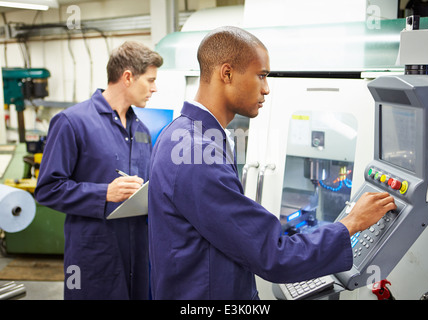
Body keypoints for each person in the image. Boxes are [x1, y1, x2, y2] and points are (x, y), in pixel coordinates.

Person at [147, 26, 396, 300]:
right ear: (226, 73)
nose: (266, 89)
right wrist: (351, 223)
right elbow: (274, 256)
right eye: (261, 76)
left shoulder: (180, 134)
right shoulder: (197, 154)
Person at [35, 41, 163, 300]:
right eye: (149, 80)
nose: (154, 88)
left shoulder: (141, 130)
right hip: (92, 256)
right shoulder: (72, 122)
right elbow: (48, 189)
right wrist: (104, 193)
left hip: (138, 253)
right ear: (128, 77)